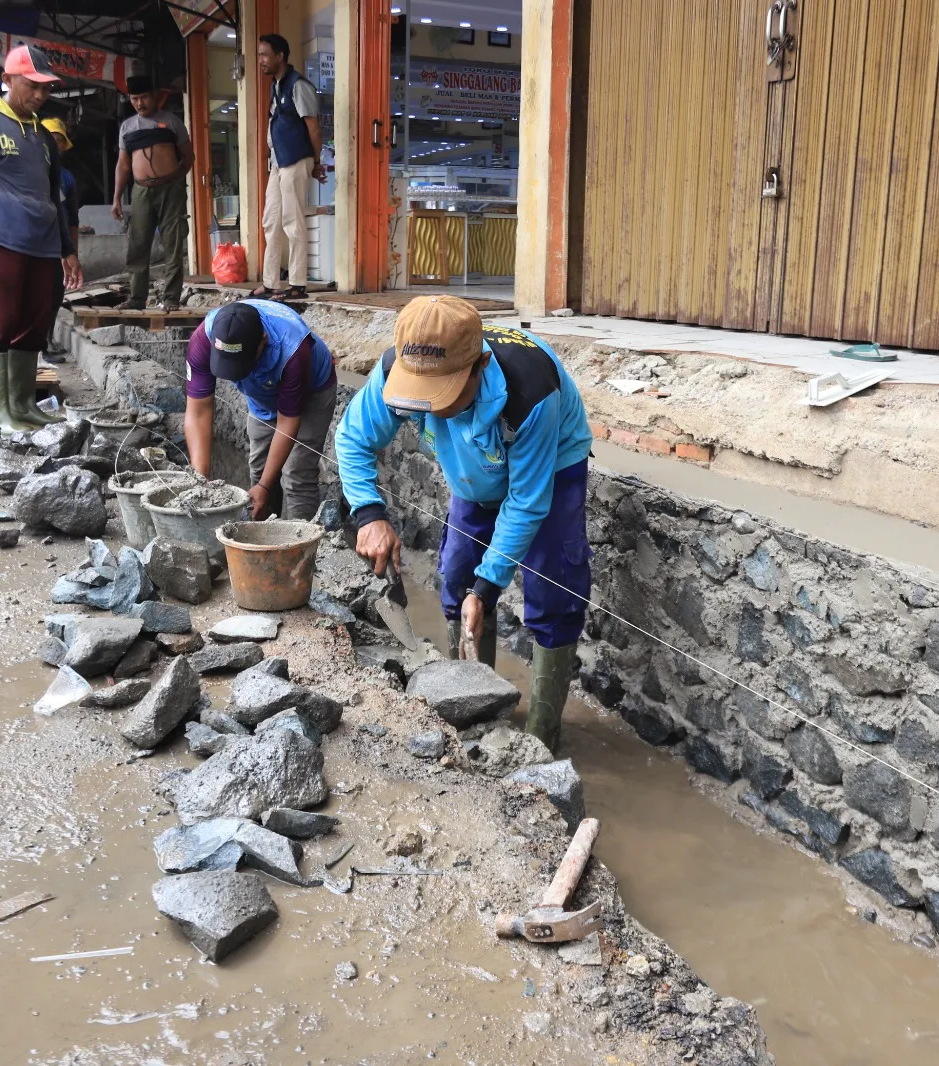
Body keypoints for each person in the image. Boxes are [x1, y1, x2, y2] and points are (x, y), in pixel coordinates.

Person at [335, 296, 594, 753]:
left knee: (552, 590)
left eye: (445, 395)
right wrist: (369, 515)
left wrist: (489, 587)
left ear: (480, 366)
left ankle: (541, 738)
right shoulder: (398, 368)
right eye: (422, 395)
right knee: (456, 575)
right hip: (473, 473)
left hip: (550, 467)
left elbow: (527, 503)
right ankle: (477, 707)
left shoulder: (532, 391)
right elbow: (353, 439)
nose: (432, 408)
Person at [0, 44, 82, 432]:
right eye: (32, 86)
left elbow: (54, 196)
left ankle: (24, 404)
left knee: (35, 323)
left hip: (43, 247)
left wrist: (67, 250)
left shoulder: (42, 135)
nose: (40, 96)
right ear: (7, 80)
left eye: (46, 88)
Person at [183, 299, 336, 521]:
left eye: (241, 363)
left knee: (296, 475)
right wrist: (200, 480)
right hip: (262, 393)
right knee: (259, 468)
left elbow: (288, 423)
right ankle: (262, 538)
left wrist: (264, 486)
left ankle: (300, 546)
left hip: (312, 392)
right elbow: (198, 412)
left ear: (262, 342)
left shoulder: (293, 351)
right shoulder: (203, 340)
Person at [252, 33, 324, 302]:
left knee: (293, 222)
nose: (260, 60)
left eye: (264, 54)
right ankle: (270, 283)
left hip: (296, 160)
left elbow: (314, 128)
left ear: (280, 55)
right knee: (271, 221)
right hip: (278, 162)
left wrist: (316, 163)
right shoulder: (277, 86)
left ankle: (297, 283)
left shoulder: (298, 85)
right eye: (259, 55)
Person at [111, 75, 191, 311]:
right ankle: (137, 299)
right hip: (141, 192)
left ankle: (171, 299)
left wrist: (175, 181)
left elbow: (188, 157)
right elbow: (123, 165)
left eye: (143, 97)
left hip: (170, 189)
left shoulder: (172, 122)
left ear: (153, 95)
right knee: (137, 245)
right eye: (134, 99)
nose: (139, 103)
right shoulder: (127, 127)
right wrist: (116, 197)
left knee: (172, 244)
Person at [42, 117, 81, 361]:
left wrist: (72, 253)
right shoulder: (28, 172)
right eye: (49, 140)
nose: (54, 145)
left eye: (58, 141)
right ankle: (37, 345)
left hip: (59, 245)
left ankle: (45, 341)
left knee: (54, 293)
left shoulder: (66, 178)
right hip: (34, 243)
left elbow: (73, 218)